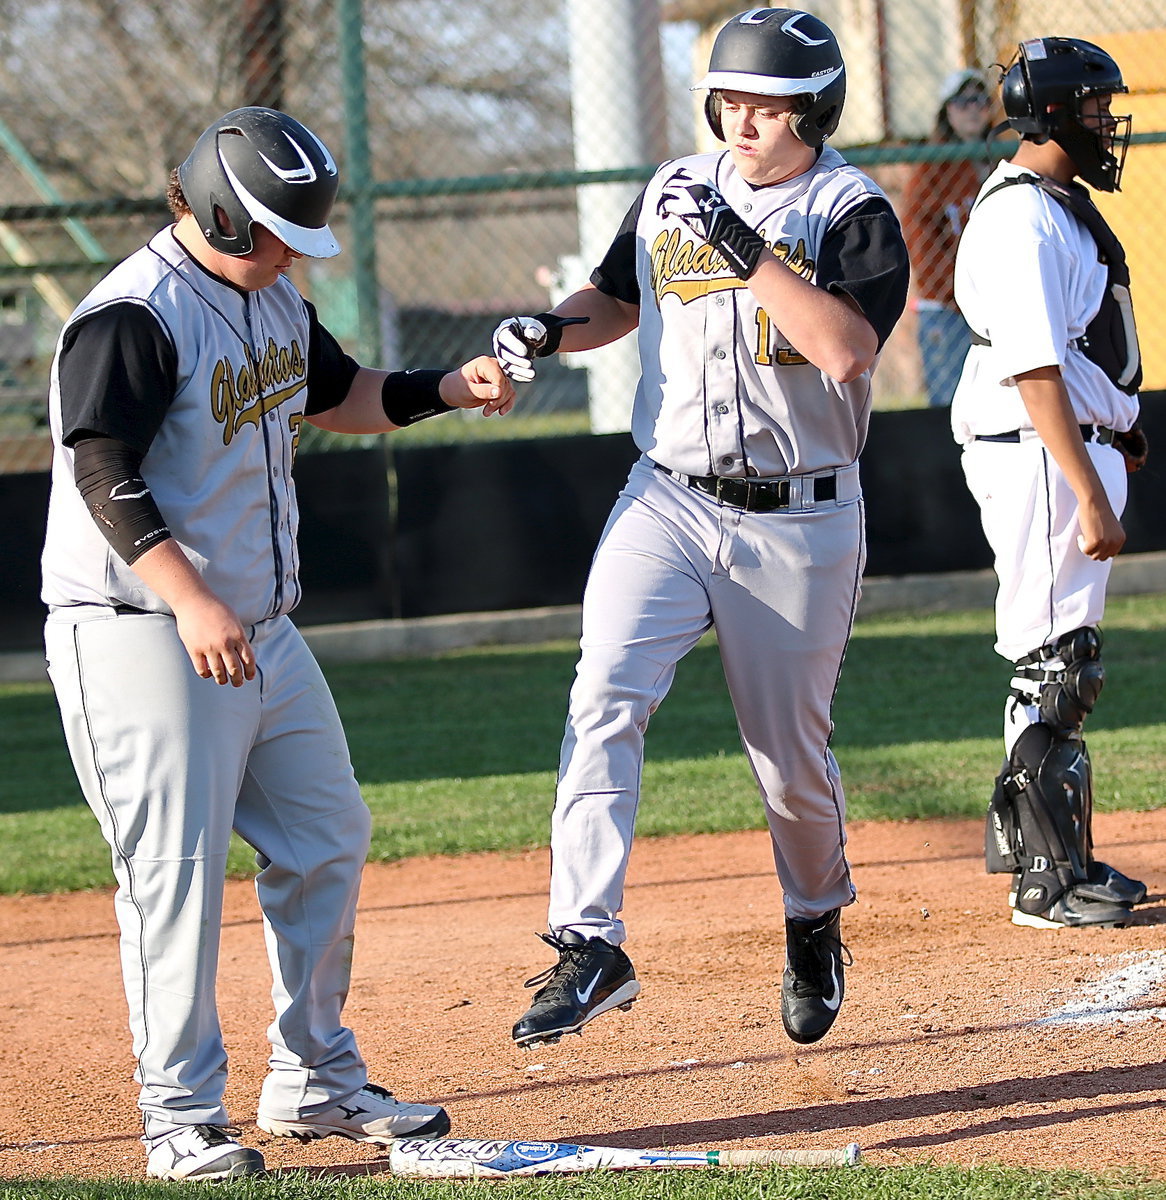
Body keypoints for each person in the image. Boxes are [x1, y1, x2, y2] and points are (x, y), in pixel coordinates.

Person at [40, 107, 514, 1181]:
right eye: (278, 232)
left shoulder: (268, 294)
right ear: (217, 211)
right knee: (174, 875)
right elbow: (100, 468)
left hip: (256, 633)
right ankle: (177, 1120)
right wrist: (190, 599)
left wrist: (449, 387)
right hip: (142, 636)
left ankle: (314, 1081)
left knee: (327, 835)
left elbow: (337, 393)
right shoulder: (134, 316)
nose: (296, 252)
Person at [491, 8, 909, 1051]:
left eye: (767, 102)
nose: (743, 119)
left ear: (815, 107)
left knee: (786, 761)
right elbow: (615, 297)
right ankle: (587, 942)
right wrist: (550, 329)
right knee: (602, 697)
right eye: (729, 98)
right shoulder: (675, 185)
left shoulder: (851, 211)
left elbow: (845, 350)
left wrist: (740, 248)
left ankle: (812, 919)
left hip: (799, 519)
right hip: (666, 497)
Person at [950, 38, 1148, 929]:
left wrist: (1117, 427)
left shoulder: (1052, 207)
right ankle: (1046, 881)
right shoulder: (1020, 217)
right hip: (1034, 451)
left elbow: (1072, 352)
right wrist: (1091, 486)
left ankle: (1050, 853)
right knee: (1053, 661)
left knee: (1065, 655)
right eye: (1099, 108)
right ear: (1059, 111)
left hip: (1058, 444)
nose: (1110, 124)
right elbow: (1033, 369)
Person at [901, 69, 994, 407]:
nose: (973, 110)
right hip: (947, 309)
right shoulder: (932, 166)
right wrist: (957, 293)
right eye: (963, 101)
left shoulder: (999, 158)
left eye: (981, 101)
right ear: (947, 111)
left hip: (995, 305)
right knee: (953, 406)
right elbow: (919, 236)